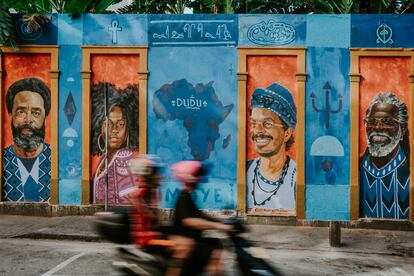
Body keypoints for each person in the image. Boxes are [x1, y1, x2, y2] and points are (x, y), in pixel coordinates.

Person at [128, 155, 193, 276]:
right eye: (157, 173)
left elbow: (156, 221)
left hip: (155, 234)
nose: (160, 176)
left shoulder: (152, 191)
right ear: (149, 175)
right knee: (183, 248)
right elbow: (151, 219)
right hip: (148, 240)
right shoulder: (142, 194)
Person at [172, 160, 233, 275]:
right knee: (214, 249)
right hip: (186, 243)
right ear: (188, 177)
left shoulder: (188, 196)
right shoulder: (183, 197)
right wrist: (219, 226)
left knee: (216, 244)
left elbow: (200, 215)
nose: (199, 179)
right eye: (197, 175)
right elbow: (190, 221)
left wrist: (223, 220)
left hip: (193, 241)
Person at [247, 83, 297, 210]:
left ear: (286, 134)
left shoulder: (296, 177)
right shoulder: (245, 169)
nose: (257, 130)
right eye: (253, 123)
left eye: (267, 124)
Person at [360, 93, 410, 219]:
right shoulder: (357, 170)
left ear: (402, 129)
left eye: (387, 122)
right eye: (371, 121)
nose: (377, 127)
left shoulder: (410, 171)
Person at [3, 78, 51, 202]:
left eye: (36, 113)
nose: (28, 119)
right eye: (21, 111)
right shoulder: (2, 159)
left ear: (45, 117)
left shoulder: (58, 159)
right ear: (10, 115)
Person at [90, 82, 138, 204]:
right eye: (108, 124)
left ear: (128, 130)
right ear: (99, 127)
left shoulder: (124, 159)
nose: (114, 130)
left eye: (120, 124)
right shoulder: (106, 157)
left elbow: (127, 201)